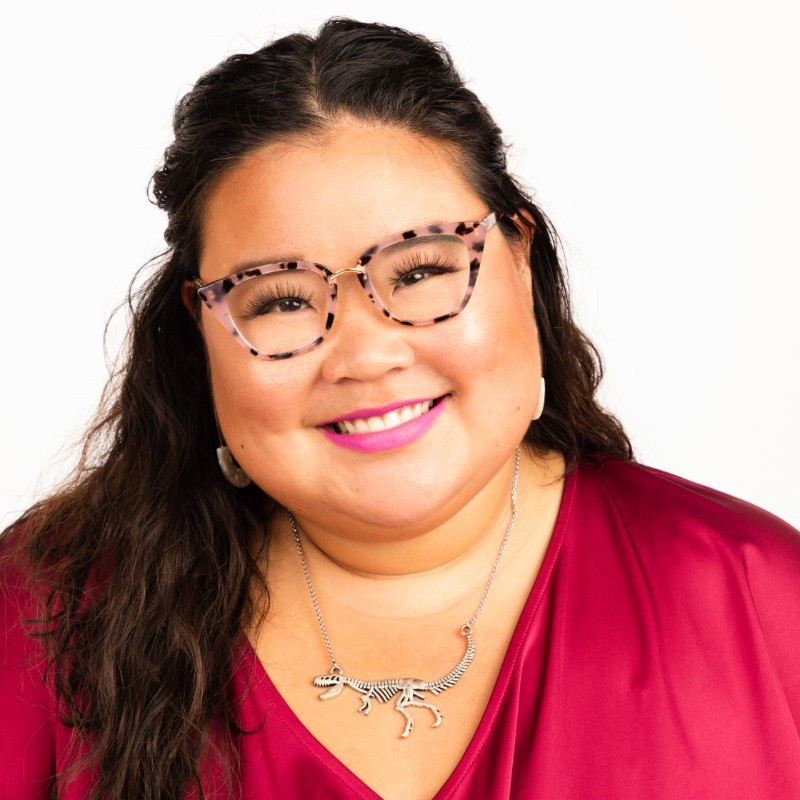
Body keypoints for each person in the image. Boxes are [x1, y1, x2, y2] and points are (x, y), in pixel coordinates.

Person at [1, 16, 798, 800]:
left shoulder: (763, 598)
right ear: (202, 328)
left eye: (419, 272)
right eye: (280, 299)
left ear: (520, 260)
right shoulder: (41, 613)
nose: (366, 355)